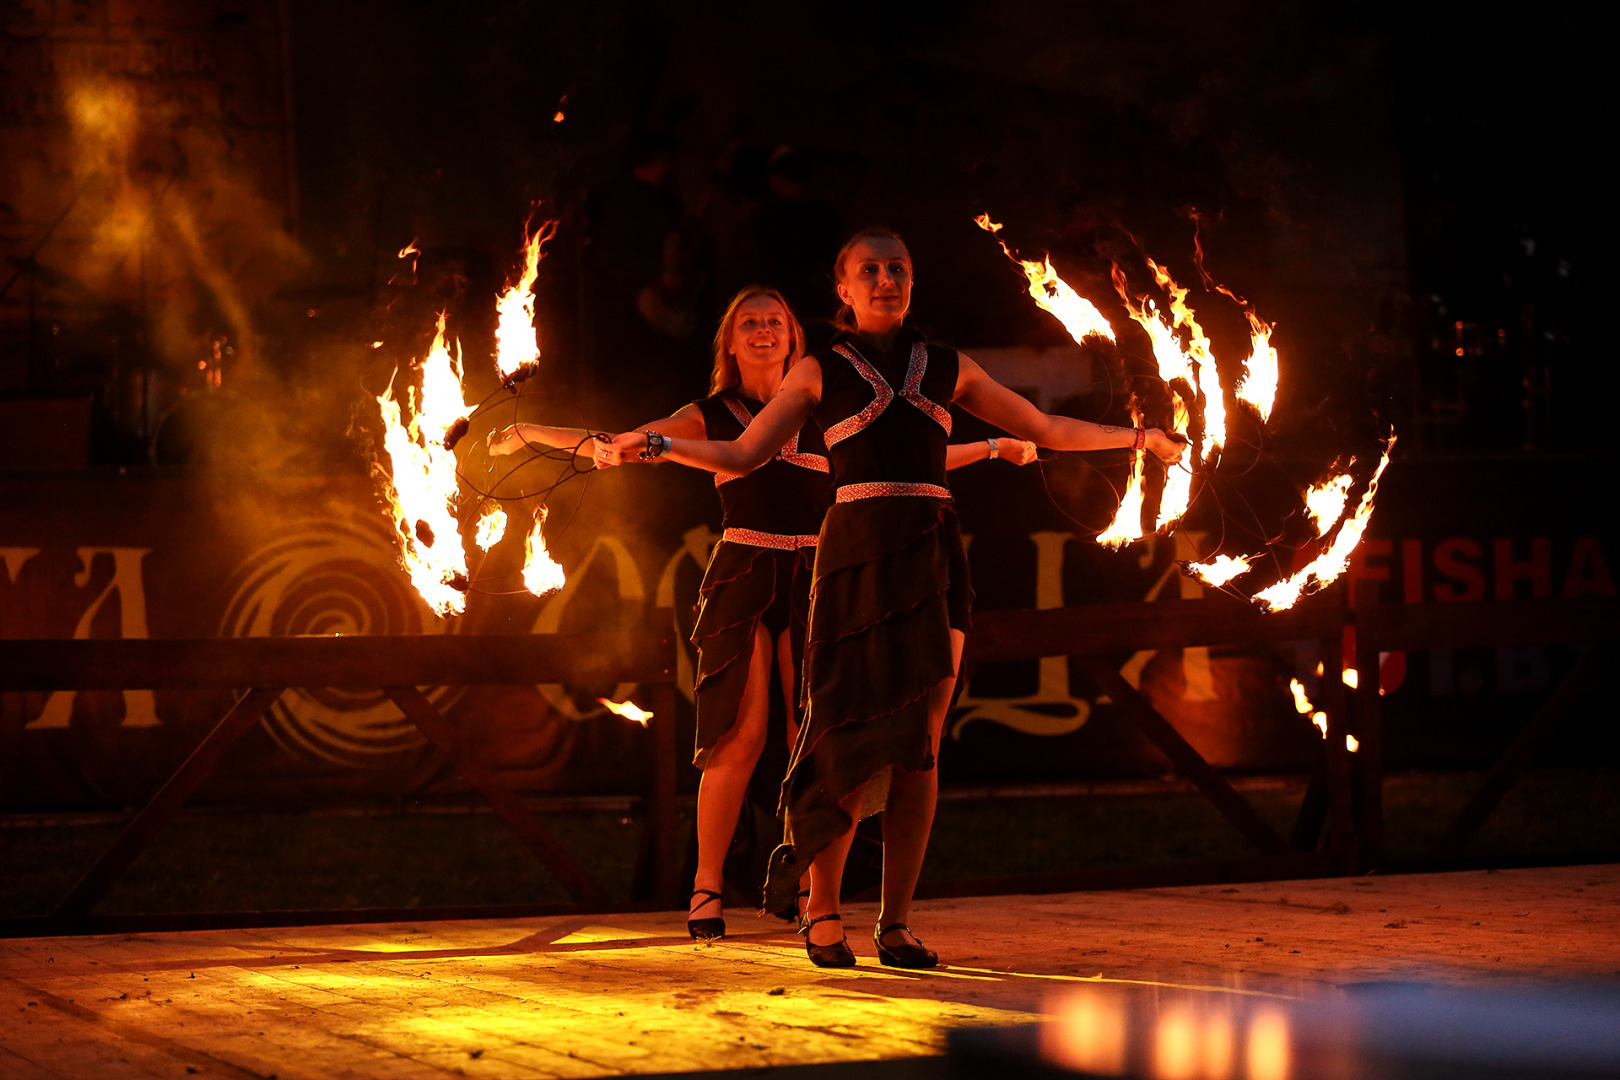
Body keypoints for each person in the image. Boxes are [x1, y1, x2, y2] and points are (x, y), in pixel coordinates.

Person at [597, 231, 1185, 968]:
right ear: (842, 288)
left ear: (914, 281)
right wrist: (659, 443)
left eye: (897, 269)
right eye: (868, 271)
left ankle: (897, 922)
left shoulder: (946, 366)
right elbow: (744, 454)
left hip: (932, 552)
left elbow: (1042, 428)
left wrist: (1142, 439)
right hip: (854, 556)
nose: (885, 280)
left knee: (921, 746)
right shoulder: (818, 370)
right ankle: (823, 913)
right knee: (842, 730)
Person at [491, 284, 1035, 942]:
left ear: (793, 339)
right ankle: (707, 889)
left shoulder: (823, 403)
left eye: (774, 321)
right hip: (746, 574)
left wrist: (992, 448)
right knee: (738, 737)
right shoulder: (712, 413)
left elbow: (913, 459)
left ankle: (812, 891)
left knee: (814, 734)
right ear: (729, 340)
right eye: (748, 321)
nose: (763, 331)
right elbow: (624, 441)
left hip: (822, 576)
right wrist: (529, 434)